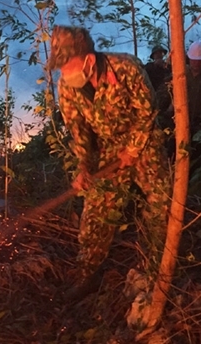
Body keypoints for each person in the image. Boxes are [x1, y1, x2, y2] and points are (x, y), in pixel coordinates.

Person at [47, 25, 170, 279]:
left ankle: (157, 268)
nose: (64, 74)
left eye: (67, 65)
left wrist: (134, 149)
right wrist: (85, 168)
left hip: (145, 141)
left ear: (88, 60)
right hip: (109, 147)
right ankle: (87, 272)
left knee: (160, 204)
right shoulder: (67, 86)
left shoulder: (125, 67)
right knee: (95, 210)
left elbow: (148, 110)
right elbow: (80, 132)